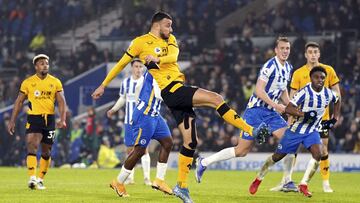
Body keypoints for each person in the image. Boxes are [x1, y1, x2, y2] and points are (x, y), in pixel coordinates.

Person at [91, 11, 269, 203]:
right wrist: (103, 84)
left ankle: (181, 187)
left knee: (190, 142)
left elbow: (174, 55)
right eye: (168, 25)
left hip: (176, 91)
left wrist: (158, 59)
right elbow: (120, 64)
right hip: (172, 91)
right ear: (157, 25)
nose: (171, 28)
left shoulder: (171, 40)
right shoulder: (140, 43)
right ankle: (251, 130)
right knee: (216, 99)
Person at [195, 37, 292, 184]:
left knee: (289, 140)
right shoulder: (269, 66)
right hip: (255, 111)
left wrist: (289, 105)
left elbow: (282, 89)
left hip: (271, 113)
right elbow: (259, 90)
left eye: (287, 48)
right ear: (276, 50)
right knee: (241, 151)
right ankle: (204, 162)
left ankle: (286, 181)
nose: (285, 51)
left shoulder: (288, 68)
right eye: (282, 48)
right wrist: (277, 105)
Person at [249, 66, 341, 198]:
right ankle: (258, 178)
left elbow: (338, 100)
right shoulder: (304, 92)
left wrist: (335, 118)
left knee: (318, 154)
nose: (320, 80)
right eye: (317, 77)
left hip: (312, 131)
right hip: (295, 130)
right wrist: (304, 114)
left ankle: (303, 184)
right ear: (311, 78)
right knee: (277, 157)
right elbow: (288, 108)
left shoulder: (328, 93)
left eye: (322, 77)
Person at [271, 41, 341, 193]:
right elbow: (292, 97)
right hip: (301, 119)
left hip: (322, 119)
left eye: (316, 52)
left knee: (323, 150)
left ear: (319, 54)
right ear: (305, 55)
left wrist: (336, 116)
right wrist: (290, 117)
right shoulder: (298, 73)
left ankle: (326, 182)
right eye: (310, 52)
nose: (313, 55)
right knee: (292, 148)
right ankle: (286, 180)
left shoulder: (328, 70)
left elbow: (337, 93)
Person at [7, 54, 67, 190]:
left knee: (46, 152)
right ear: (36, 66)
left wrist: (62, 119)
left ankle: (40, 179)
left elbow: (61, 101)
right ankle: (32, 178)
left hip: (49, 119)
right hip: (34, 118)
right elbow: (19, 102)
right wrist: (12, 120)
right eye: (41, 63)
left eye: (46, 63)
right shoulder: (28, 82)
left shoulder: (55, 82)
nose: (45, 65)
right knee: (31, 144)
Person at [109, 71, 173, 197]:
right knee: (139, 150)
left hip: (155, 115)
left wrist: (140, 99)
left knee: (168, 142)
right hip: (145, 115)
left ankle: (159, 180)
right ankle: (119, 182)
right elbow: (160, 95)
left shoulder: (158, 69)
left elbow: (139, 86)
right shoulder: (156, 70)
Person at [107, 58, 152, 185]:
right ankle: (130, 178)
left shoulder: (146, 82)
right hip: (129, 121)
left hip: (143, 120)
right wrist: (114, 109)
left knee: (144, 149)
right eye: (136, 66)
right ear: (132, 68)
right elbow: (123, 98)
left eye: (140, 67)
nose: (138, 69)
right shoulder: (126, 82)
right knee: (130, 150)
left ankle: (147, 178)